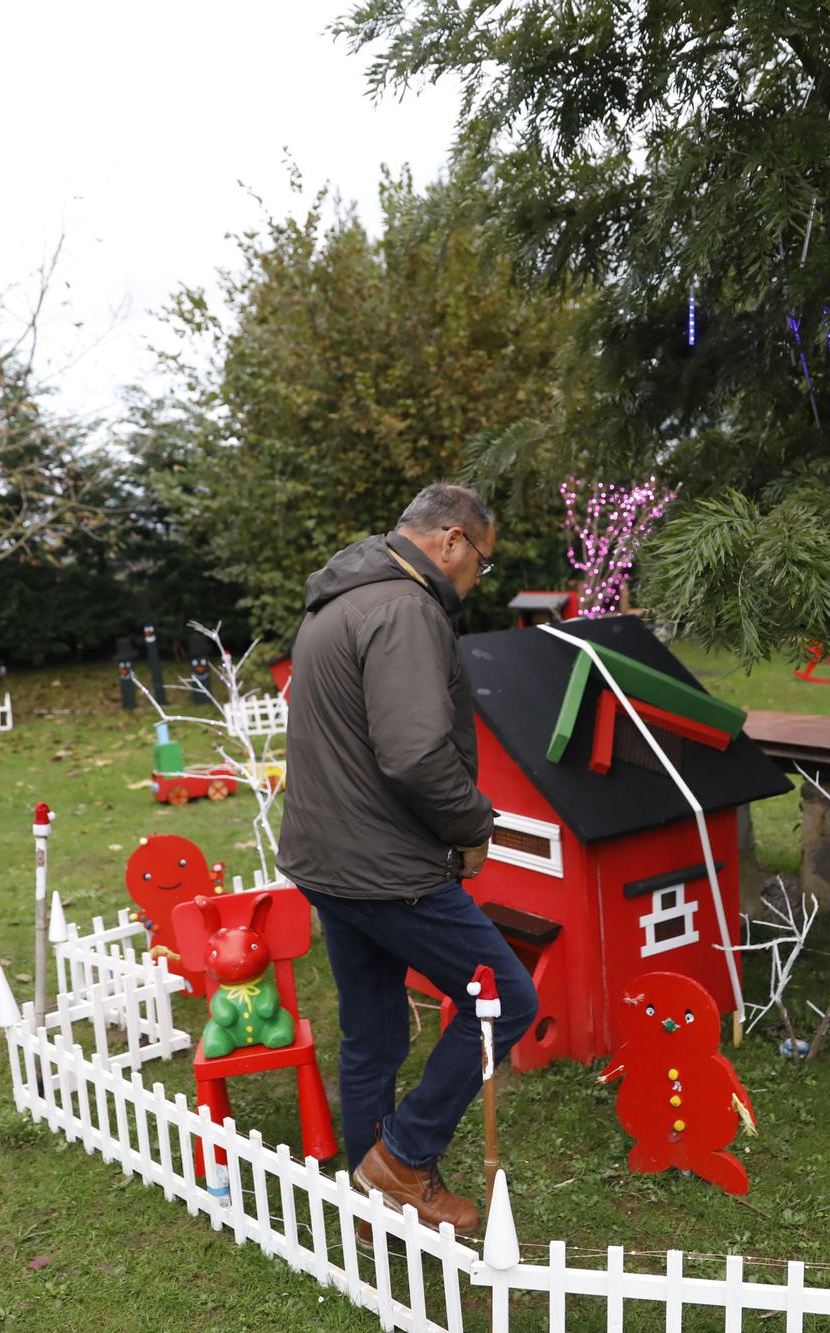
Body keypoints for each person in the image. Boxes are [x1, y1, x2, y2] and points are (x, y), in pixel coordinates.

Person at [276, 482, 538, 1233]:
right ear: (451, 540)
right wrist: (473, 825)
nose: (474, 580)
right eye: (480, 562)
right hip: (388, 868)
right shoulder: (405, 608)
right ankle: (403, 1157)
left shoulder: (340, 598)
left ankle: (371, 1202)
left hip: (330, 860)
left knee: (375, 1033)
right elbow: (417, 754)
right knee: (507, 998)